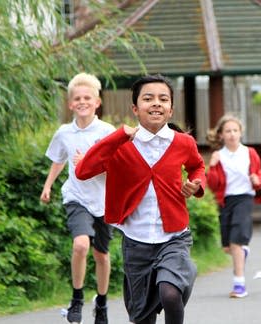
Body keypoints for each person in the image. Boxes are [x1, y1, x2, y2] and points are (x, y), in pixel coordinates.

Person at [75, 74, 206, 324]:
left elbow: (197, 167)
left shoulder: (183, 143)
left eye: (163, 99)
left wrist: (196, 184)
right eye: (148, 99)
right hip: (136, 243)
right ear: (135, 108)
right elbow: (83, 171)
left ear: (170, 110)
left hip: (174, 237)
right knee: (142, 317)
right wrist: (118, 136)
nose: (156, 103)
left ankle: (182, 271)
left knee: (170, 292)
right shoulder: (121, 145)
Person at [40, 72, 116, 324]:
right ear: (71, 104)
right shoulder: (64, 132)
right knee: (81, 245)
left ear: (97, 102)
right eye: (77, 98)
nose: (82, 102)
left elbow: (117, 167)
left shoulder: (107, 132)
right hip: (76, 196)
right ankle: (76, 298)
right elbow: (59, 159)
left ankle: (102, 303)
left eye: (88, 97)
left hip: (104, 200)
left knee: (101, 256)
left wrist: (89, 163)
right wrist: (48, 185)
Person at [206, 114, 261, 298]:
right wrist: (212, 165)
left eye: (235, 130)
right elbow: (213, 184)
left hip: (244, 198)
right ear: (221, 135)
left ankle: (239, 285)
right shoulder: (218, 156)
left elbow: (259, 176)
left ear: (240, 133)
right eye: (227, 131)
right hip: (225, 201)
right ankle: (242, 251)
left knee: (236, 241)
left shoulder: (250, 153)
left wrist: (257, 180)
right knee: (227, 246)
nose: (232, 134)